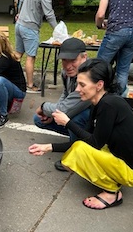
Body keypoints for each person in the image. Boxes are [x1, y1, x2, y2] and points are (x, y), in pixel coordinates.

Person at [29, 58, 133, 210]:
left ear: (99, 85)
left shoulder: (109, 104)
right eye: (77, 83)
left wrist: (68, 123)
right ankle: (114, 179)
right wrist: (48, 147)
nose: (77, 89)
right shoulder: (99, 102)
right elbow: (87, 139)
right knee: (79, 148)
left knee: (79, 152)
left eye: (82, 84)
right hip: (125, 159)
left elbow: (94, 143)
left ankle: (112, 193)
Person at [33, 38, 91, 170]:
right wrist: (53, 114)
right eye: (65, 60)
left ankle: (78, 154)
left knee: (76, 118)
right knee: (39, 120)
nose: (68, 65)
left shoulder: (89, 75)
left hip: (96, 121)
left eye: (73, 60)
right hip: (75, 109)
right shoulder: (66, 73)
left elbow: (66, 108)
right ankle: (76, 140)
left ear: (84, 57)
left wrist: (43, 107)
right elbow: (65, 95)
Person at [15, 0, 65, 93]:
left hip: (19, 24)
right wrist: (58, 30)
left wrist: (19, 13)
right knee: (30, 57)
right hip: (30, 28)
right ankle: (30, 86)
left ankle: (11, 78)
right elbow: (49, 13)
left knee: (17, 55)